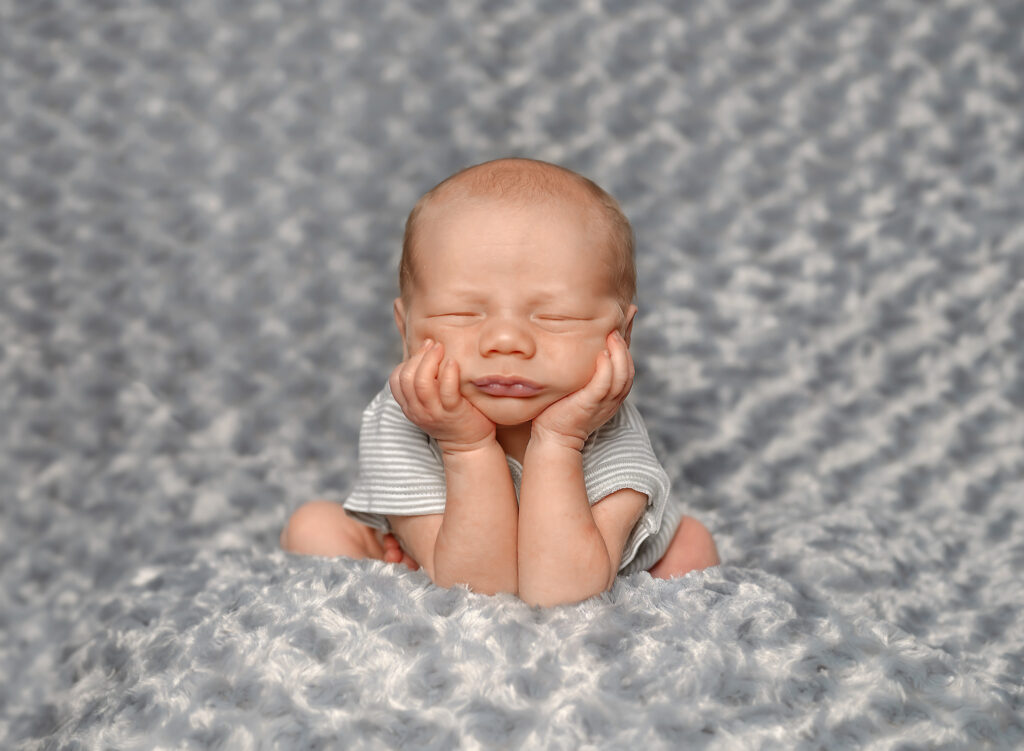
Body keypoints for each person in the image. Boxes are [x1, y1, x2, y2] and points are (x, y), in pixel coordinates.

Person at [280, 158, 719, 606]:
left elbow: (563, 594)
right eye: (462, 314)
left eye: (555, 316)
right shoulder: (401, 420)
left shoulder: (610, 432)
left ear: (621, 337)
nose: (506, 341)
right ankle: (404, 590)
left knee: (690, 544)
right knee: (315, 525)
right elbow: (479, 590)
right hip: (454, 561)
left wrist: (559, 441)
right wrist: (465, 446)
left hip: (590, 568)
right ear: (405, 329)